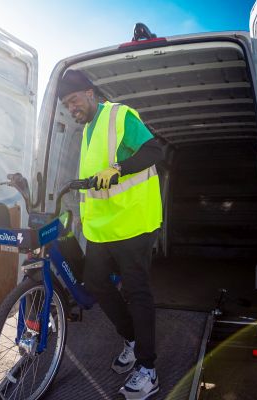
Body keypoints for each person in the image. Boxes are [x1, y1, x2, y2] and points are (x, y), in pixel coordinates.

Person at [58, 69, 166, 400]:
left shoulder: (119, 116)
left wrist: (118, 169)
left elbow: (154, 151)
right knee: (96, 284)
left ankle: (148, 370)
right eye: (66, 105)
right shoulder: (87, 130)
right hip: (103, 229)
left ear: (90, 93)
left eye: (74, 100)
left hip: (134, 223)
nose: (71, 108)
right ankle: (133, 339)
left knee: (137, 292)